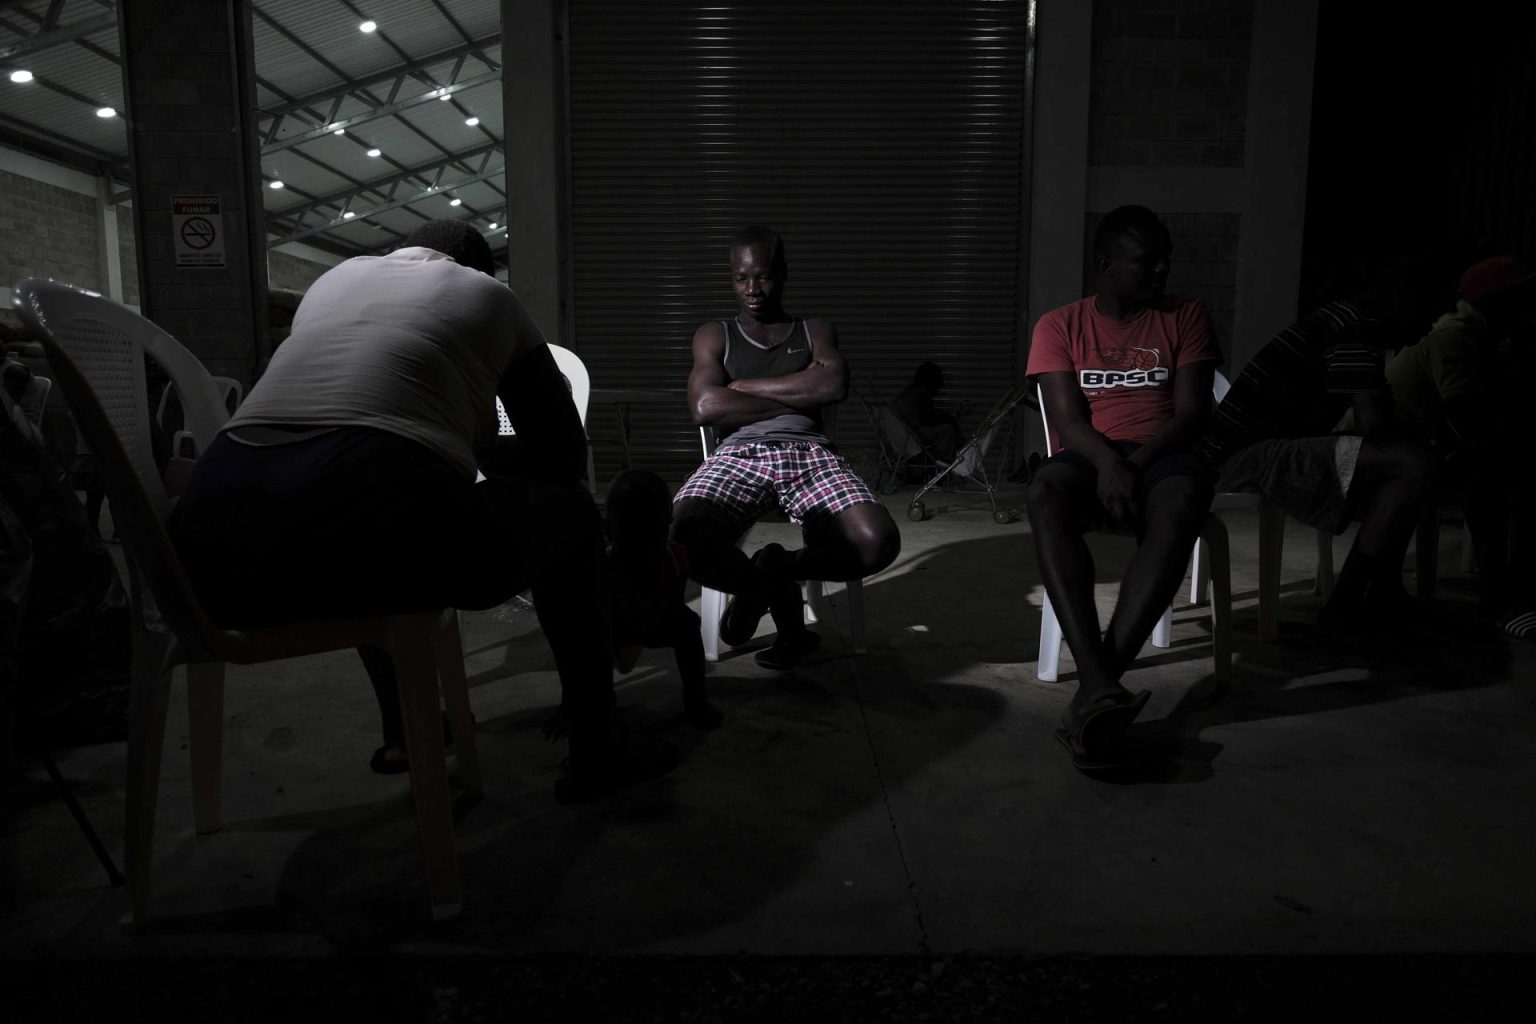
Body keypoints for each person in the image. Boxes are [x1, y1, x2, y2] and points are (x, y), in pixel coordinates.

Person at [169, 220, 676, 803]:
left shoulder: (332, 282)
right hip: (373, 530)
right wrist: (480, 443)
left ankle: (405, 732)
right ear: (476, 270)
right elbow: (562, 456)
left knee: (356, 512)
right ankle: (599, 748)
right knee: (571, 516)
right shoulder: (487, 295)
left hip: (207, 568)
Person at [1025, 205, 1220, 772]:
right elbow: (1066, 421)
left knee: (1183, 500)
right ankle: (1101, 688)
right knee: (1044, 491)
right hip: (1092, 454)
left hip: (1164, 454)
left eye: (1166, 259)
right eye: (1146, 261)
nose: (1162, 271)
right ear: (1108, 264)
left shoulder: (1187, 315)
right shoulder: (1059, 325)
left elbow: (1190, 415)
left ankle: (1093, 692)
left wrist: (1133, 466)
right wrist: (1110, 463)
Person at [671, 225, 901, 669]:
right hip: (739, 454)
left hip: (811, 454)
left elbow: (833, 384)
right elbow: (704, 406)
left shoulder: (814, 330)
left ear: (783, 274)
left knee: (877, 542)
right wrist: (800, 387)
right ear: (731, 277)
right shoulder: (714, 334)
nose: (752, 289)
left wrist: (739, 388)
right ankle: (767, 588)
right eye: (741, 278)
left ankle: (783, 565)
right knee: (684, 539)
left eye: (763, 276)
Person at [1196, 256, 1449, 639]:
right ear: (1401, 298)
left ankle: (1381, 592)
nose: (1429, 323)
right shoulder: (1354, 324)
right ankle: (1348, 603)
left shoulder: (1349, 321)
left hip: (1260, 448)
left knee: (1407, 466)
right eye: (1426, 309)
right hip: (1243, 456)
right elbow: (1373, 425)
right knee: (1412, 463)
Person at [1374, 256, 1536, 636]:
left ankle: (1509, 591)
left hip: (1415, 444)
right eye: (1523, 296)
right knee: (1488, 475)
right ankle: (1498, 599)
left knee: (1497, 468)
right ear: (1496, 301)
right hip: (1385, 447)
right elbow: (1469, 415)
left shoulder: (1483, 337)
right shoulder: (1454, 336)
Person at [606, 469, 721, 728]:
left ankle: (696, 700)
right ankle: (596, 704)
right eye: (632, 536)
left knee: (687, 625)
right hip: (611, 629)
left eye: (653, 536)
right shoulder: (600, 569)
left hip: (650, 620)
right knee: (587, 644)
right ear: (609, 531)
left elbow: (675, 607)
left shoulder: (675, 557)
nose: (643, 548)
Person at [889, 361, 964, 462]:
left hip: (907, 435)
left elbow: (926, 415)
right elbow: (929, 418)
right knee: (947, 430)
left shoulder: (911, 390)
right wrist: (949, 418)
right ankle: (945, 464)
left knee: (945, 428)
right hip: (913, 436)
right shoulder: (921, 392)